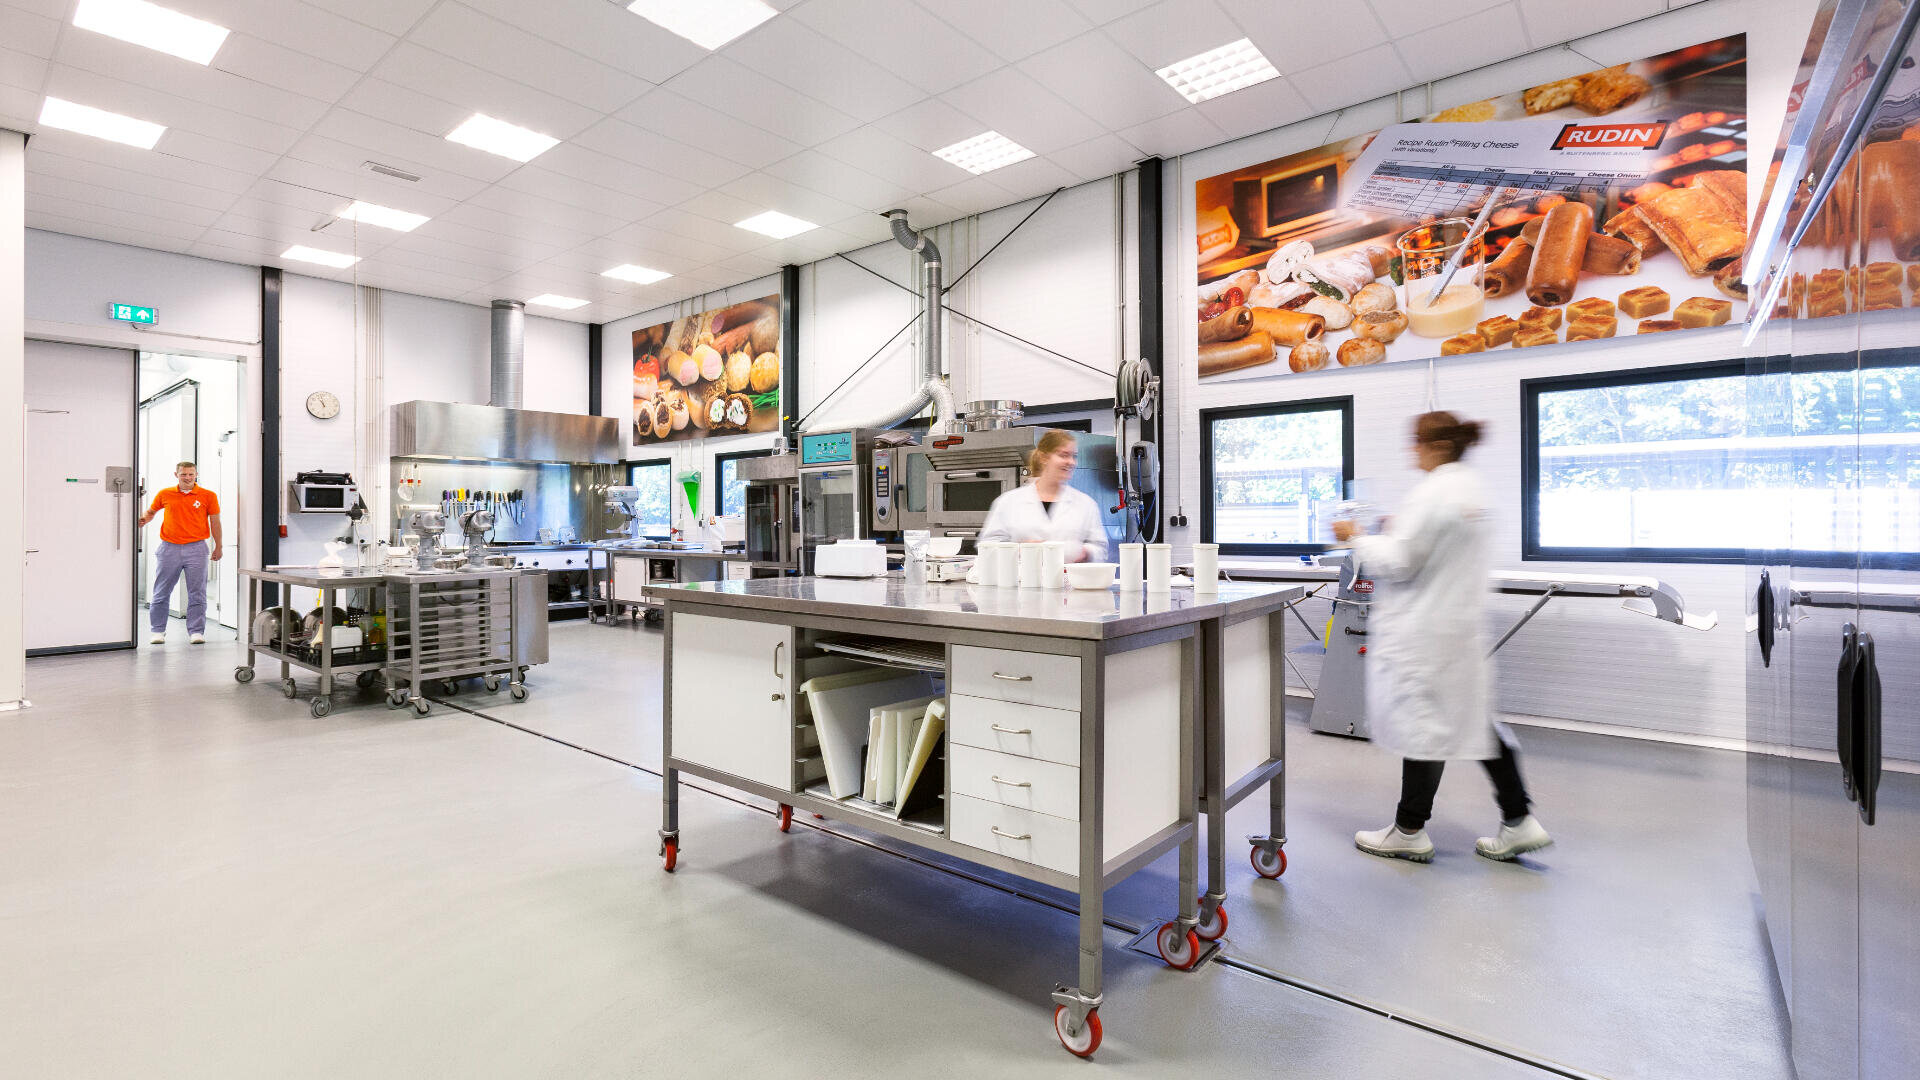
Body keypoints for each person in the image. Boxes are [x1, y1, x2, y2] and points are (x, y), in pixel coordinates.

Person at [1332, 412, 1551, 863]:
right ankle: (1518, 818)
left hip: (1424, 633)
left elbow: (1398, 563)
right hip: (1459, 630)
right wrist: (1396, 534)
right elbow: (1430, 549)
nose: (1412, 452)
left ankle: (1409, 830)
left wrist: (1354, 538)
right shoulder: (1473, 490)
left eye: (1415, 443)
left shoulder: (1432, 492)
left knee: (1425, 728)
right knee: (1472, 722)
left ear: (1432, 446)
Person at [978, 429, 1109, 563]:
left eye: (1074, 456)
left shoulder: (1085, 504)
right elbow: (987, 547)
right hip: (1022, 581)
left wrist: (1085, 552)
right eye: (1064, 455)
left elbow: (1101, 549)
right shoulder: (1008, 502)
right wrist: (1020, 550)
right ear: (1044, 458)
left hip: (1070, 582)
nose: (1071, 462)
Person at [139, 461, 222, 645]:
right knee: (161, 591)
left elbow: (215, 522)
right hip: (169, 548)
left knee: (197, 592)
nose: (187, 478)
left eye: (191, 474)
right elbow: (151, 511)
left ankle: (196, 631)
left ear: (196, 475)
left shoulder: (208, 496)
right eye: (184, 474)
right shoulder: (165, 494)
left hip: (197, 549)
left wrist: (219, 546)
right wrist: (144, 519)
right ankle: (157, 631)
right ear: (176, 475)